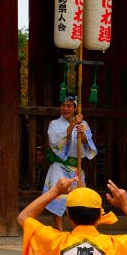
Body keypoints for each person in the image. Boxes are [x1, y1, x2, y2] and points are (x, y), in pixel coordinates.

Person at [43, 96, 96, 230]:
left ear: (75, 108)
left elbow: (87, 144)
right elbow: (57, 143)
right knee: (58, 195)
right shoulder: (54, 124)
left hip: (75, 166)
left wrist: (82, 132)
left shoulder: (83, 124)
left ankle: (78, 228)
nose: (65, 108)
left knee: (78, 198)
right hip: (59, 166)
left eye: (69, 106)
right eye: (63, 105)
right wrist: (73, 125)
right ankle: (59, 229)